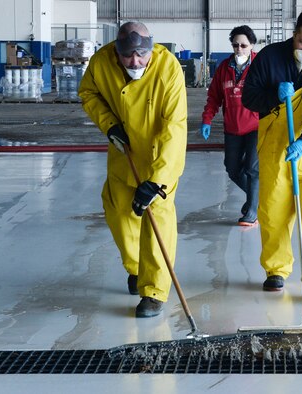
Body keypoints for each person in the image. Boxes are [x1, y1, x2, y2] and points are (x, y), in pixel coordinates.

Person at [78, 22, 188, 317]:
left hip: (158, 159)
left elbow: (175, 128)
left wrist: (159, 181)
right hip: (123, 154)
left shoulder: (168, 69)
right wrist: (109, 125)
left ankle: (154, 291)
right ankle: (137, 268)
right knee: (118, 214)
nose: (136, 62)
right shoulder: (101, 63)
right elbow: (89, 94)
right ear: (117, 51)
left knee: (157, 223)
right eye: (129, 56)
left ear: (152, 48)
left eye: (142, 55)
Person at [242, 10, 302, 302]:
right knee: (273, 210)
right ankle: (276, 271)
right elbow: (248, 97)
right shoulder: (270, 57)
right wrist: (274, 94)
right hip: (274, 143)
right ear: (294, 32)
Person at [200, 25, 259, 226]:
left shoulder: (259, 64)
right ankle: (257, 198)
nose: (239, 49)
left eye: (243, 45)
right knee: (232, 169)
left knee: (252, 169)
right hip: (232, 128)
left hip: (255, 127)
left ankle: (252, 212)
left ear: (251, 45)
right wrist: (207, 119)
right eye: (235, 45)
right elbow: (214, 96)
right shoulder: (224, 68)